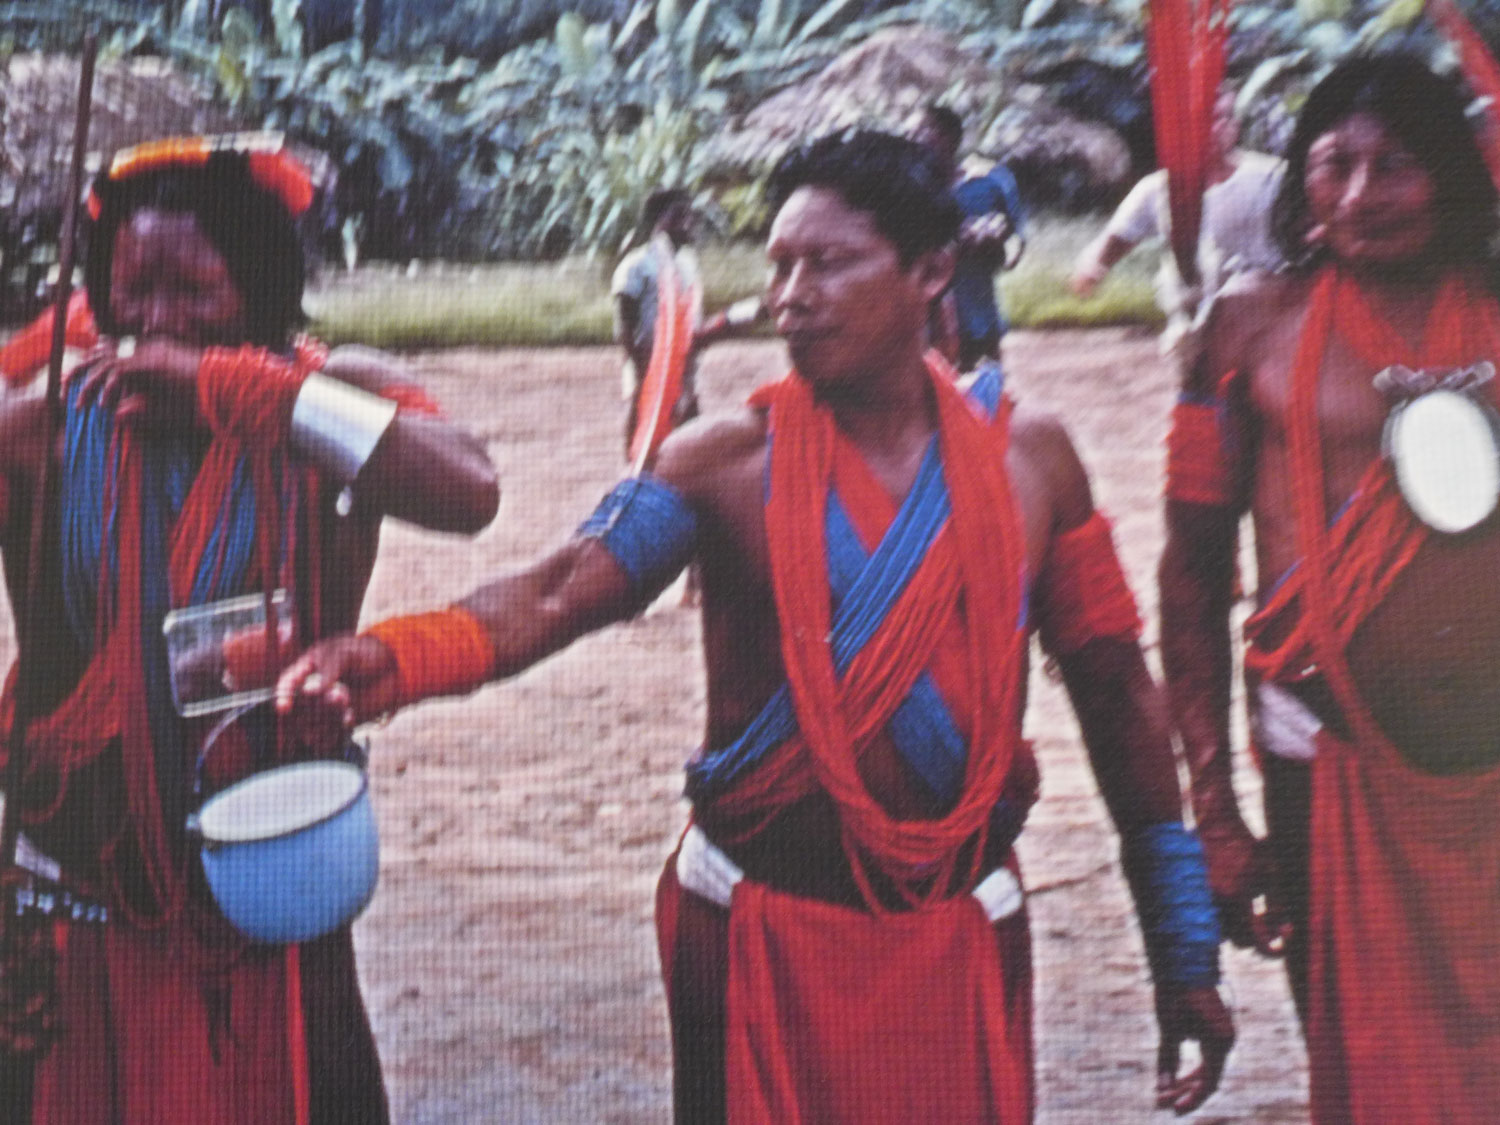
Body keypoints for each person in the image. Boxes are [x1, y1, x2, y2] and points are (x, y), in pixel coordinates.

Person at [279, 129, 1232, 1122]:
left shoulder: (1034, 462)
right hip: (757, 930)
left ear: (932, 270)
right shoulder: (720, 462)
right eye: (779, 265)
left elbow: (1120, 693)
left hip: (958, 930)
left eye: (828, 262)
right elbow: (560, 590)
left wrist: (1181, 945)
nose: (792, 295)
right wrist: (393, 659)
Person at [0, 135, 499, 1123]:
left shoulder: (328, 400)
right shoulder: (48, 426)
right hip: (77, 886)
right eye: (131, 293)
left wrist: (253, 393)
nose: (159, 324)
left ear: (266, 286)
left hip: (268, 870)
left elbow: (469, 487)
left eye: (198, 292)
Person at [1159, 53, 1500, 1122]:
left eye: (1394, 166)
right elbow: (1191, 573)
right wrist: (1212, 808)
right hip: (1326, 756)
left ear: (1451, 174)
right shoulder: (1246, 328)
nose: (1357, 195)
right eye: (1332, 164)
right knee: (1365, 1073)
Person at [1070, 87, 1284, 360]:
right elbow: (1116, 238)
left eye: (1223, 118)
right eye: (1205, 119)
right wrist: (1094, 268)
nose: (1215, 128)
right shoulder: (1158, 190)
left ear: (1235, 126)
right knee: (1199, 393)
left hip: (1263, 316)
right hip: (1194, 325)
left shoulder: (1271, 178)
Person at [913, 104, 1027, 371]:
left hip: (978, 318)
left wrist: (994, 240)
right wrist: (953, 242)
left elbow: (1015, 243)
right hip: (923, 327)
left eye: (921, 132)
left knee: (983, 399)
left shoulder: (990, 180)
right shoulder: (908, 187)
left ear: (948, 138)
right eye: (910, 133)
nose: (913, 140)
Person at [612, 189, 706, 462]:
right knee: (643, 413)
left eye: (689, 216)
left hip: (682, 361)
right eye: (678, 216)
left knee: (688, 416)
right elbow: (624, 323)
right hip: (647, 361)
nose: (687, 223)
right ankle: (635, 473)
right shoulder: (636, 265)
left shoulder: (688, 264)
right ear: (658, 221)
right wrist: (639, 365)